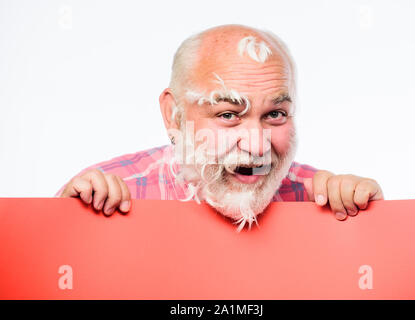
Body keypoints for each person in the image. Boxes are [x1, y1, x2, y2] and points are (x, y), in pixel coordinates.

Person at [57, 24, 383, 231]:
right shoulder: (111, 194)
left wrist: (371, 226)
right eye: (228, 115)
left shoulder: (321, 200)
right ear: (174, 115)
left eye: (275, 114)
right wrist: (63, 223)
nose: (257, 146)